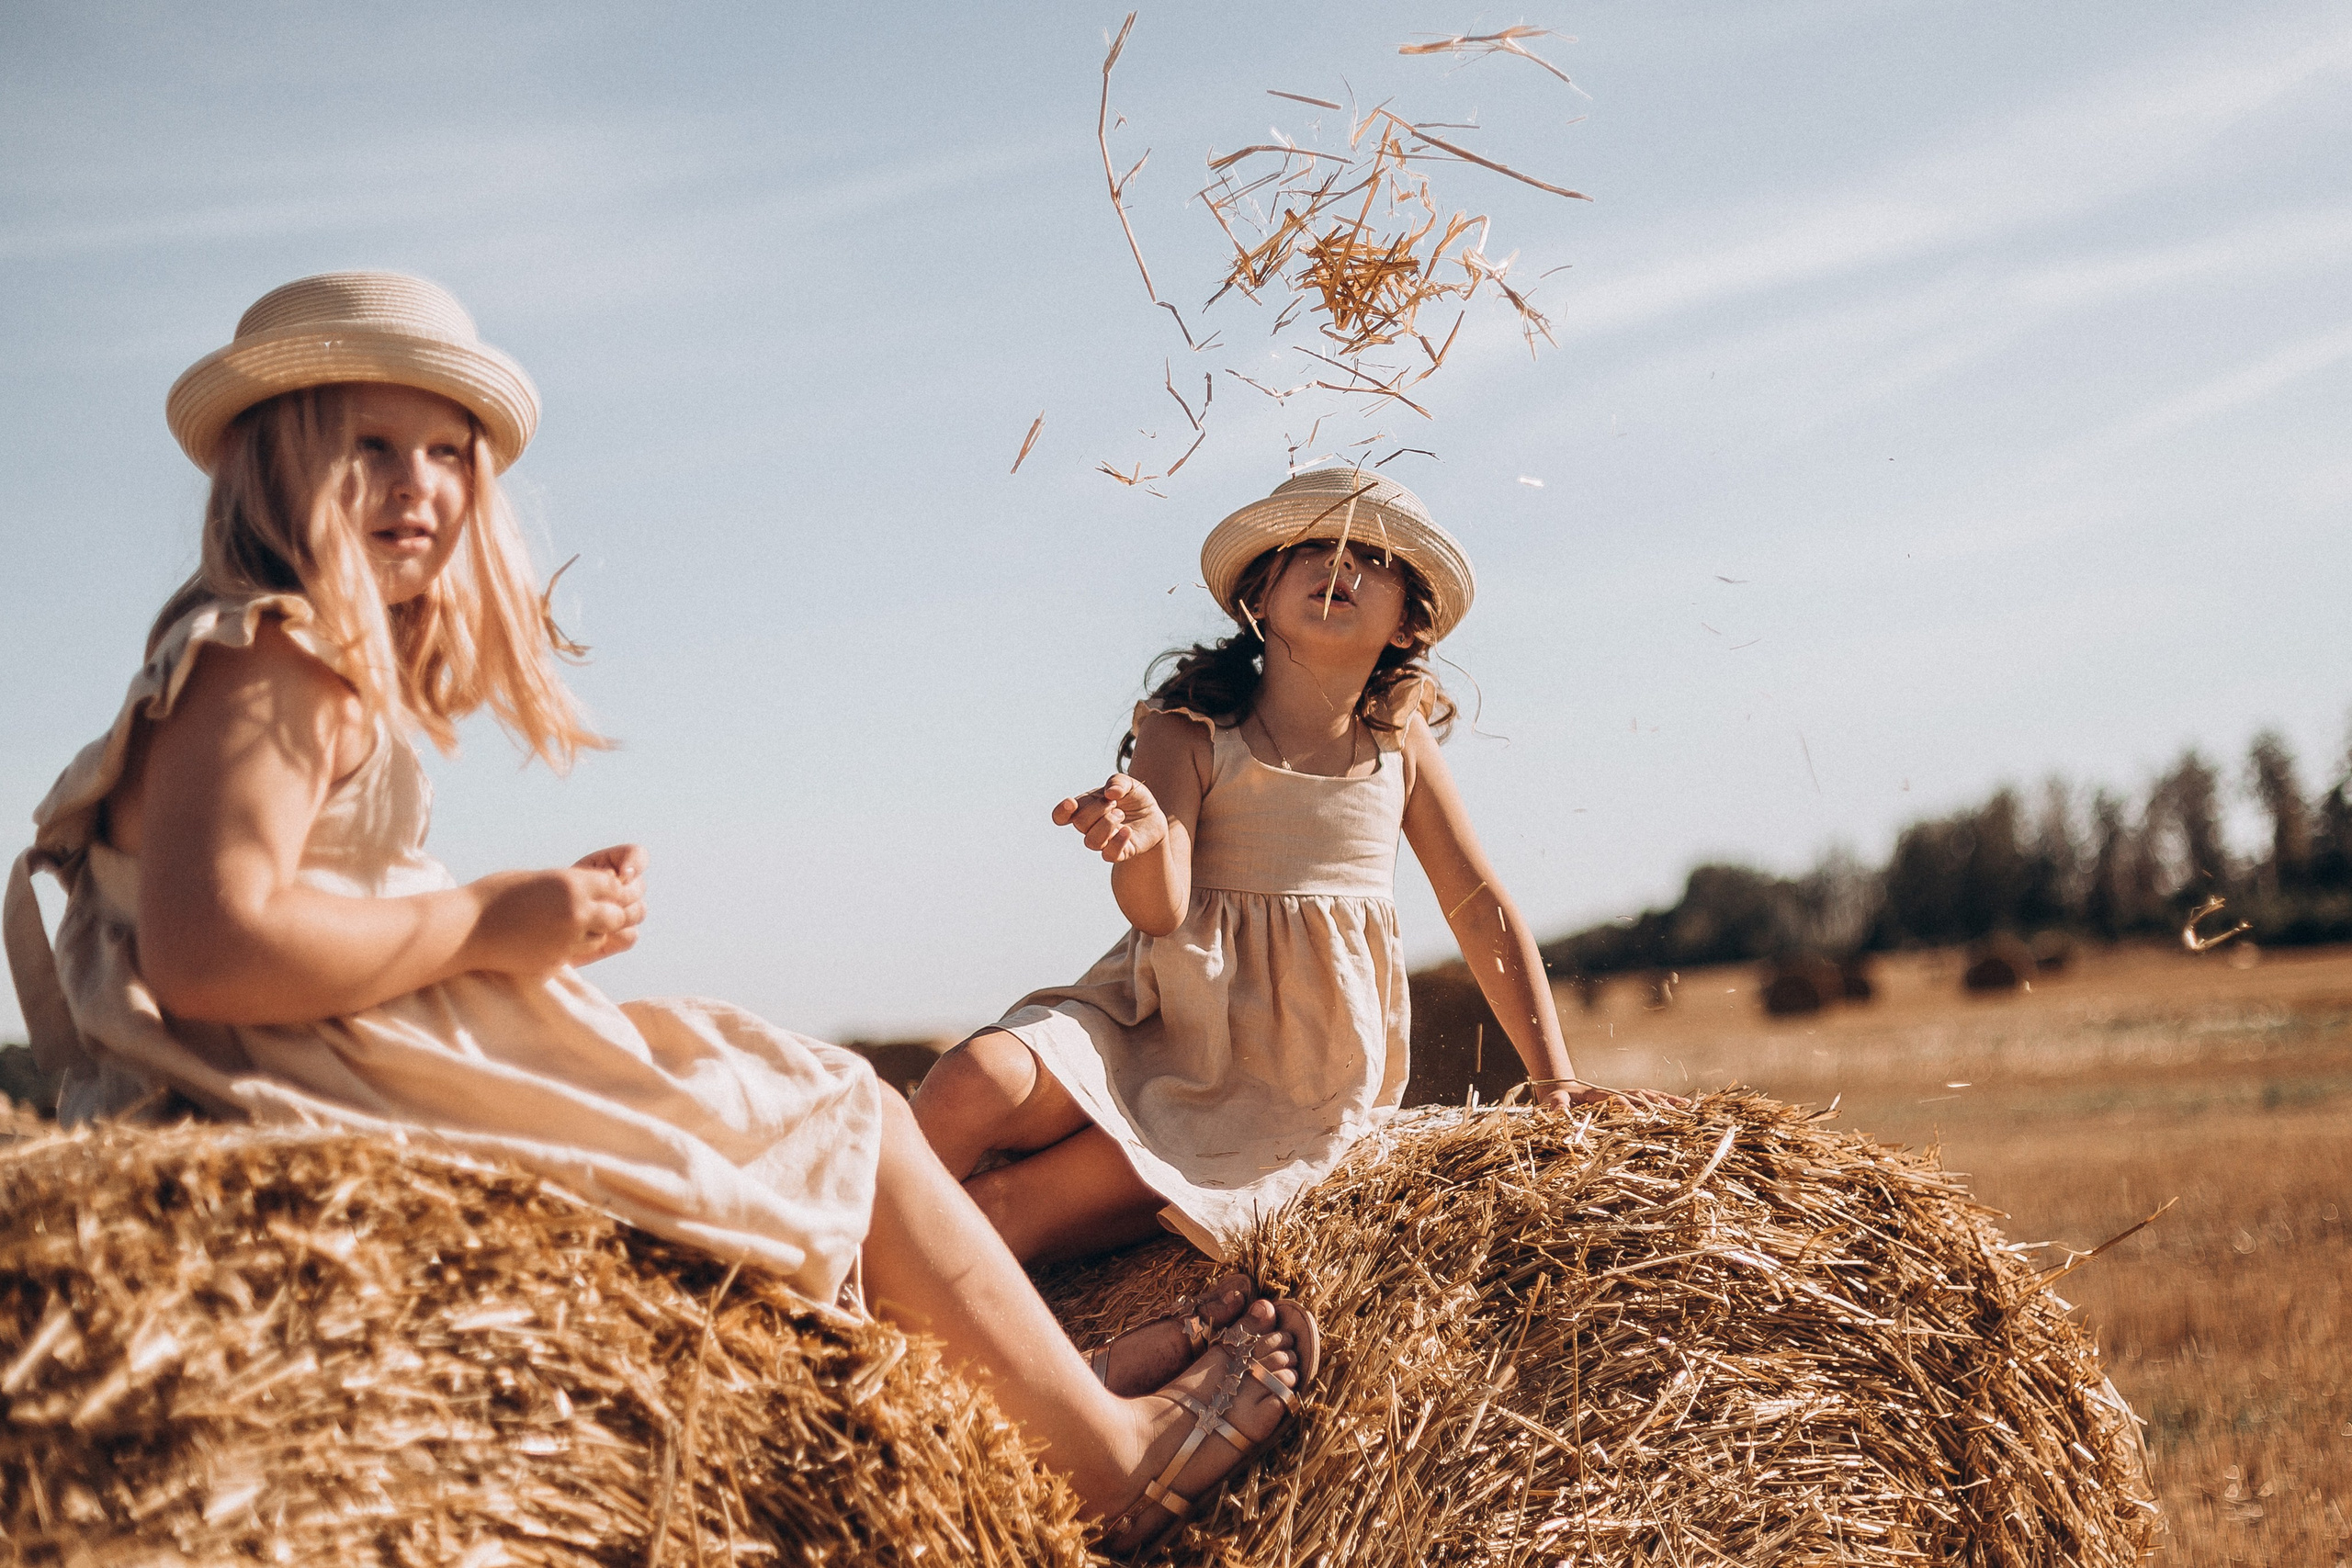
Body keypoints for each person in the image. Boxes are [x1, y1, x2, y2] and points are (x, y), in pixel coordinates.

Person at [0, 272, 1314, 1553]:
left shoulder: (255, 655)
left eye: (447, 453)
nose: (416, 485)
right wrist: (487, 924)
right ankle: (1106, 1457)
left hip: (319, 1049)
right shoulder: (277, 656)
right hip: (314, 1073)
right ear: (271, 469)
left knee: (746, 1131)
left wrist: (537, 919)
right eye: (369, 447)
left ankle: (1030, 1388)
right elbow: (208, 946)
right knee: (831, 1110)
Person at [915, 468, 1634, 1268]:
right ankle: (818, 1272)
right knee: (968, 1077)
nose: (1341, 564)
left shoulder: (1402, 746)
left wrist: (1552, 1079)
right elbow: (1158, 911)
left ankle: (875, 1311)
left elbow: (1477, 907)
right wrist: (1148, 840)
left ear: (1406, 625)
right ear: (1259, 597)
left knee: (1000, 1213)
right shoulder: (1186, 732)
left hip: (1278, 1089)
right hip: (1155, 1023)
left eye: (1374, 557)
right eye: (1314, 547)